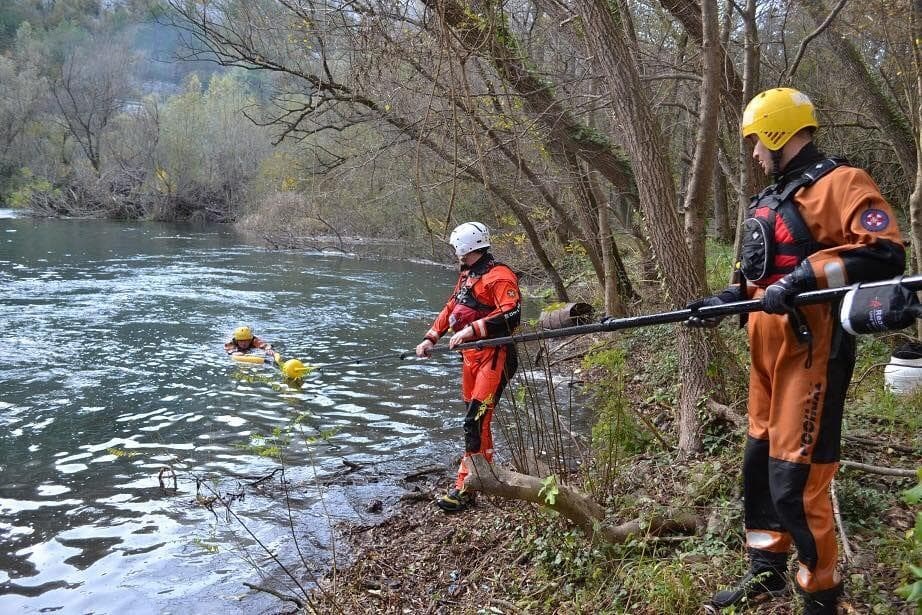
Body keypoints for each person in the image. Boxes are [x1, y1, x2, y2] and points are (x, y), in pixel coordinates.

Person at [686, 88, 905, 614]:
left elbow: (885, 253)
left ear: (779, 133)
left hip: (814, 351)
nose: (756, 154)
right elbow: (756, 277)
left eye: (758, 142)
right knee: (759, 465)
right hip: (764, 350)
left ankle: (820, 593)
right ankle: (767, 572)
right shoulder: (768, 199)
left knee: (795, 481)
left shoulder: (843, 184)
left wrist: (807, 276)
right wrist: (724, 299)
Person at [415, 222, 522, 513]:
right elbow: (452, 308)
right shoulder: (468, 275)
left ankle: (467, 487)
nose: (454, 253)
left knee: (475, 420)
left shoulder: (499, 276)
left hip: (495, 355)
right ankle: (481, 475)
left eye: (455, 248)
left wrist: (473, 329)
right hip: (471, 357)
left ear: (465, 247)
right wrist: (431, 337)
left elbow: (512, 314)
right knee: (473, 420)